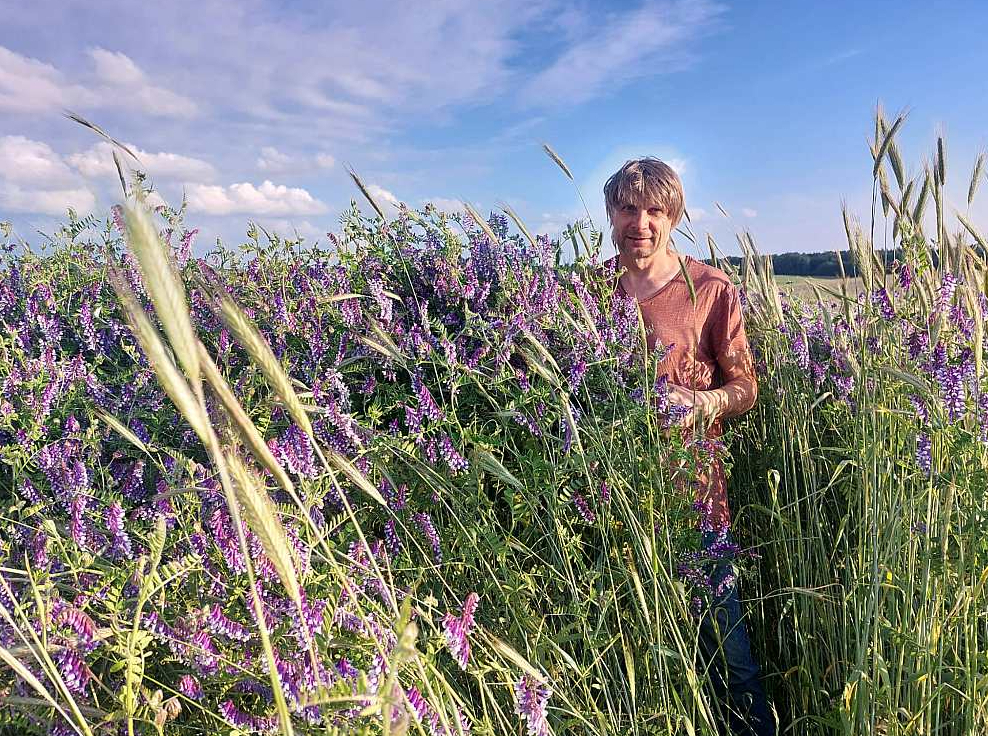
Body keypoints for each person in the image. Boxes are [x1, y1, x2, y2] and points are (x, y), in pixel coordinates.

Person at [603, 158, 776, 736]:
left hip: (697, 499)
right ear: (612, 214)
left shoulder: (709, 288)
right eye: (629, 208)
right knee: (641, 654)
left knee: (728, 648)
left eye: (655, 210)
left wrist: (701, 405)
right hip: (618, 504)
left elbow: (747, 386)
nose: (641, 223)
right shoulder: (589, 292)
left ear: (673, 217)